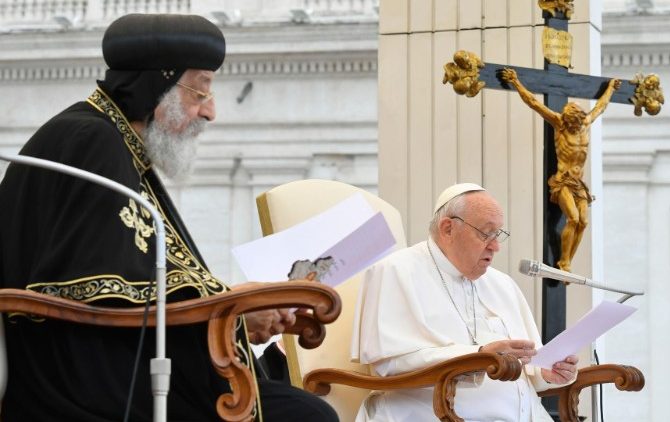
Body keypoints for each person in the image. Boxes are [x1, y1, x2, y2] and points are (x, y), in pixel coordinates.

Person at [0, 13, 337, 422]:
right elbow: (100, 292)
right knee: (305, 416)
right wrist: (232, 314)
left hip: (110, 360)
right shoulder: (92, 140)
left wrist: (235, 315)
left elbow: (137, 279)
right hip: (81, 379)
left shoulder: (111, 138)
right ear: (156, 84)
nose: (210, 112)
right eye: (199, 92)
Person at [351, 183, 578, 421]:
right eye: (485, 233)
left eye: (498, 234)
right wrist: (478, 356)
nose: (495, 246)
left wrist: (546, 372)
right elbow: (389, 363)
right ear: (448, 228)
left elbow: (530, 365)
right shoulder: (395, 271)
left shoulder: (502, 284)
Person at [501, 68, 621, 272]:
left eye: (577, 123)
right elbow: (534, 103)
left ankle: (567, 261)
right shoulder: (560, 124)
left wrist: (609, 88)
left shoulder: (585, 123)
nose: (575, 126)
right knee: (573, 218)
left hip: (579, 184)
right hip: (563, 181)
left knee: (583, 222)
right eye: (572, 124)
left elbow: (601, 106)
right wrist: (516, 82)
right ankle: (564, 261)